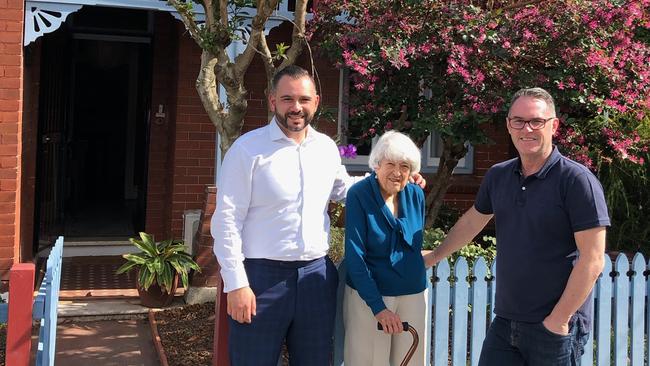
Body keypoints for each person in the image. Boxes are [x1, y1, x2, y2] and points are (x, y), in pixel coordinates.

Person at [211, 65, 424, 365]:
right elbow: (226, 222)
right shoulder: (247, 151)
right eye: (287, 99)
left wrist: (392, 179)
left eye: (303, 99)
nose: (296, 107)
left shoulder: (325, 148)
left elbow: (345, 190)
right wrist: (236, 284)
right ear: (272, 102)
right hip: (261, 280)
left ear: (316, 102)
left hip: (316, 278)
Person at [424, 87, 609, 366]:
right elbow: (475, 219)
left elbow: (593, 260)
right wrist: (436, 255)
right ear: (509, 125)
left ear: (554, 126)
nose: (527, 129)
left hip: (555, 326)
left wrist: (558, 320)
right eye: (518, 121)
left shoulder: (576, 181)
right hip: (506, 321)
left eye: (537, 121)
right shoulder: (499, 175)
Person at [343, 131, 428, 366]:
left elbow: (414, 244)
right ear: (377, 164)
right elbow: (355, 256)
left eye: (404, 166)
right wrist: (378, 308)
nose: (397, 172)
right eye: (390, 163)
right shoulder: (359, 194)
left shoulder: (416, 194)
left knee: (410, 360)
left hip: (412, 293)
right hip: (369, 295)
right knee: (369, 361)